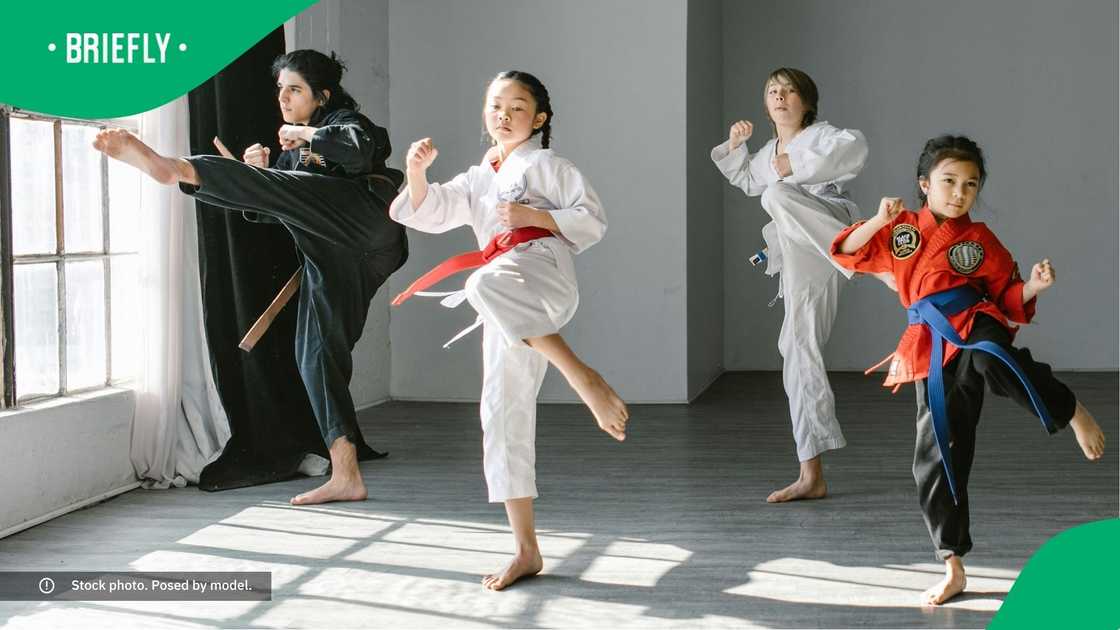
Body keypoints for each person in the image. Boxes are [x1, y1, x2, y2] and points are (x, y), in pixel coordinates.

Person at [92, 49, 408, 506]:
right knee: (315, 357)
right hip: (332, 256)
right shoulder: (290, 156)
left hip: (368, 221)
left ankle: (177, 168)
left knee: (282, 187)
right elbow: (273, 211)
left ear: (322, 96)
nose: (284, 99)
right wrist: (259, 175)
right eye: (280, 90)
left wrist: (304, 136)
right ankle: (346, 473)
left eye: (295, 89)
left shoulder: (345, 122)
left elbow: (358, 152)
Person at [831, 134, 1106, 605]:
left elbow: (1007, 296)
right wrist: (879, 219)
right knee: (939, 451)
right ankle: (952, 564)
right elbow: (845, 251)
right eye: (949, 181)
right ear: (924, 184)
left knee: (991, 355)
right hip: (929, 340)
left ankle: (1070, 409)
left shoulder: (980, 239)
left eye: (970, 184)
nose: (959, 193)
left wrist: (1034, 287)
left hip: (975, 317)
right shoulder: (901, 230)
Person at [389, 70, 629, 590]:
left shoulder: (547, 164)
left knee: (481, 283)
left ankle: (582, 377)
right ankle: (526, 549)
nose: (503, 114)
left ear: (538, 119)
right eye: (496, 105)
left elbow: (592, 218)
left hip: (540, 272)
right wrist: (415, 171)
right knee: (501, 411)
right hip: (507, 300)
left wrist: (533, 217)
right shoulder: (478, 177)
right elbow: (427, 210)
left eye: (517, 107)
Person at [711, 68, 868, 502]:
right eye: (772, 91)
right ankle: (810, 472)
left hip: (831, 226)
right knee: (797, 348)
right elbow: (748, 180)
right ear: (766, 104)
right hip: (800, 246)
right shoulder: (767, 152)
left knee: (776, 195)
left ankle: (859, 254)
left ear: (807, 101)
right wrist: (736, 146)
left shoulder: (821, 136)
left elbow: (855, 148)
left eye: (789, 90)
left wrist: (796, 164)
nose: (780, 97)